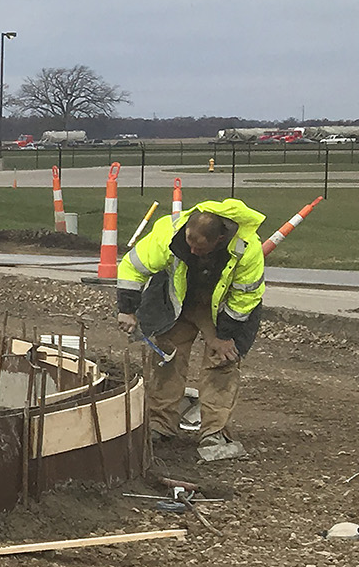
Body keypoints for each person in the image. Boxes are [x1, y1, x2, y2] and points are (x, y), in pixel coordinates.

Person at [113, 199, 266, 464]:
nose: (193, 251)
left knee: (222, 362)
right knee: (167, 358)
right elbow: (133, 267)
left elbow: (245, 299)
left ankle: (214, 432)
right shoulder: (168, 232)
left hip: (224, 307)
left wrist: (225, 335)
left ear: (220, 239)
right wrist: (127, 308)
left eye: (200, 247)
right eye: (189, 243)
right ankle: (160, 423)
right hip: (179, 301)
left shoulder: (247, 249)